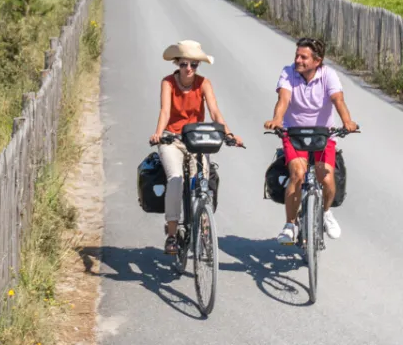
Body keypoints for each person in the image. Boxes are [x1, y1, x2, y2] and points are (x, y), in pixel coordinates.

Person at [150, 40, 243, 255]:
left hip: (196, 139)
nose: (189, 69)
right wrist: (158, 133)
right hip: (172, 138)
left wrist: (228, 134)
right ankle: (172, 234)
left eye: (193, 65)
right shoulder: (167, 83)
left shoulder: (204, 84)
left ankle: (204, 225)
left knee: (202, 182)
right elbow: (165, 111)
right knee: (175, 179)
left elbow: (215, 112)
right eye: (184, 64)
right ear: (177, 64)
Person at [264, 37, 358, 245]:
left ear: (317, 61)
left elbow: (338, 100)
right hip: (294, 134)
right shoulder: (288, 73)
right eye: (297, 55)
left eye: (303, 57)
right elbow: (284, 99)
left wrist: (347, 121)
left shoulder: (328, 75)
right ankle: (290, 225)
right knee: (297, 174)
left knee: (326, 177)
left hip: (323, 135)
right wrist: (278, 120)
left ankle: (325, 213)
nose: (298, 60)